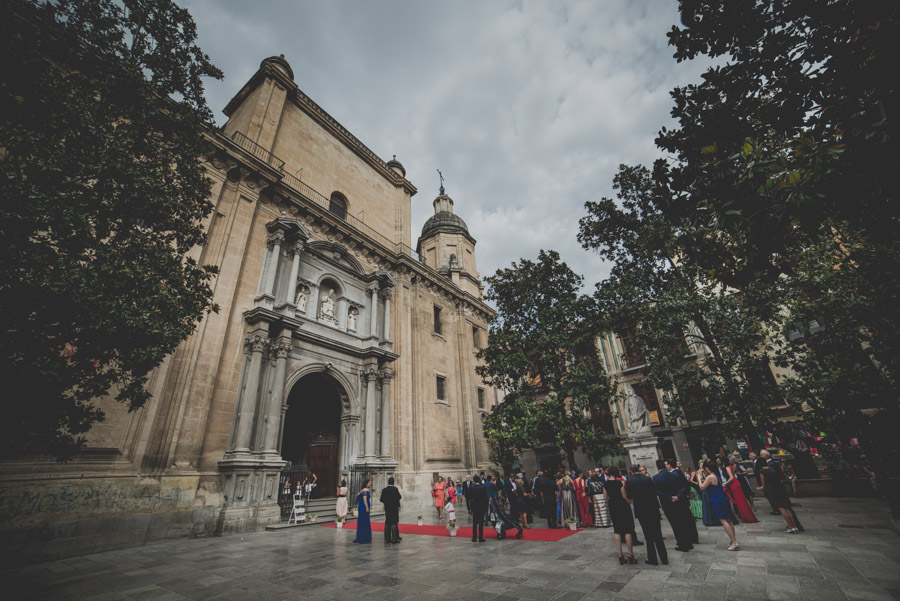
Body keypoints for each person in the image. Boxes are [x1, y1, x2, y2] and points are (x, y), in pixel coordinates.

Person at [626, 465, 668, 565]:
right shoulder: (648, 479)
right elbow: (655, 491)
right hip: (653, 509)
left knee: (648, 536)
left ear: (631, 472)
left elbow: (629, 496)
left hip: (641, 511)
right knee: (658, 534)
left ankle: (652, 559)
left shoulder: (630, 481)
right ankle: (664, 559)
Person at [653, 459, 696, 551]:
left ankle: (682, 544)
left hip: (667, 503)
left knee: (675, 524)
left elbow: (657, 492)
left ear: (657, 467)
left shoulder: (656, 478)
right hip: (678, 501)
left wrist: (669, 497)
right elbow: (683, 486)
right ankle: (688, 543)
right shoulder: (674, 474)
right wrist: (677, 496)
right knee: (682, 522)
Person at [697, 460, 739, 550]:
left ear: (707, 468)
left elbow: (702, 487)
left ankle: (734, 542)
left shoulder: (710, 477)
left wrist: (699, 477)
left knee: (723, 521)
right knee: (729, 520)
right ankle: (733, 540)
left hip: (717, 500)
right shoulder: (717, 475)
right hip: (723, 498)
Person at [759, 450, 802, 533]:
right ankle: (794, 526)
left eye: (761, 455)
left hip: (775, 488)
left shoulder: (770, 465)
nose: (761, 456)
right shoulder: (776, 463)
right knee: (786, 507)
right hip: (780, 486)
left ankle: (790, 527)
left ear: (766, 456)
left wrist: (764, 472)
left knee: (782, 507)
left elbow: (772, 473)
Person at [603, 466, 636, 564]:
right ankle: (630, 554)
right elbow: (624, 496)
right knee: (627, 530)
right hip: (622, 505)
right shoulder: (619, 483)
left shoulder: (605, 484)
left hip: (613, 505)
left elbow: (605, 498)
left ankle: (620, 554)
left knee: (617, 529)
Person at [725, 457, 759, 523]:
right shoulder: (731, 467)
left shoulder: (730, 467)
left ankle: (746, 514)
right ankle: (745, 515)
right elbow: (733, 475)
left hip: (736, 483)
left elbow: (732, 477)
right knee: (741, 500)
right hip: (736, 482)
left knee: (742, 499)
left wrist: (725, 484)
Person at [379, 477, 402, 544]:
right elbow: (399, 497)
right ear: (393, 482)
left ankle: (387, 538)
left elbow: (381, 499)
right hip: (394, 508)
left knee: (387, 522)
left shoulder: (384, 490)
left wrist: (387, 502)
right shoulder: (395, 489)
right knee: (394, 523)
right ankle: (394, 538)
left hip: (387, 508)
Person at [469, 474, 488, 542]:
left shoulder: (471, 487)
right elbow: (485, 498)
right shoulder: (482, 488)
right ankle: (480, 537)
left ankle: (474, 537)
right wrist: (486, 507)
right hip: (481, 507)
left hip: (474, 507)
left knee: (474, 523)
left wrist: (471, 507)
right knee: (480, 523)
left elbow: (470, 498)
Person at [352, 479, 372, 544]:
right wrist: (366, 507)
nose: (370, 484)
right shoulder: (366, 490)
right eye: (369, 483)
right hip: (364, 507)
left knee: (361, 521)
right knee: (365, 521)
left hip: (361, 506)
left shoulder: (361, 490)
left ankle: (360, 537)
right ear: (366, 484)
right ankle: (365, 538)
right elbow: (364, 499)